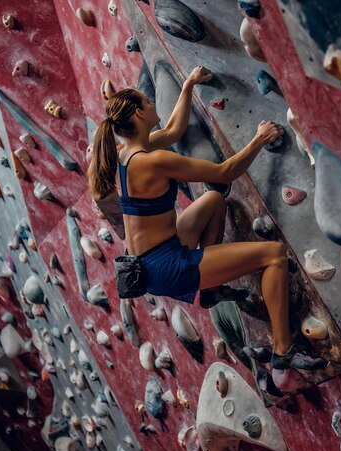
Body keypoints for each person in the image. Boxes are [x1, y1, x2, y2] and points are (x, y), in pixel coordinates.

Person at [88, 66, 327, 371]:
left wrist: (187, 85)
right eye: (146, 103)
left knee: (214, 200)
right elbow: (225, 172)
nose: (151, 104)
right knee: (274, 256)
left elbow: (174, 131)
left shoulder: (126, 154)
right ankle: (283, 349)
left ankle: (212, 289)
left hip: (151, 258)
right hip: (165, 266)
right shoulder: (151, 161)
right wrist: (259, 138)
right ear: (137, 115)